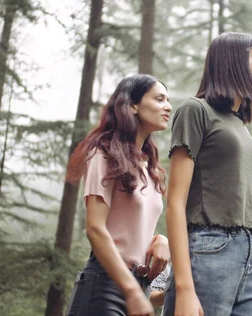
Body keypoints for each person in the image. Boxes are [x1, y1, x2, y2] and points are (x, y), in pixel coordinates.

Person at [164, 32, 252, 316]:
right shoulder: (195, 110)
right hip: (208, 247)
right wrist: (184, 288)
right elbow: (175, 202)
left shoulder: (238, 124)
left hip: (249, 251)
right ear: (234, 62)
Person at [65, 74, 172, 316]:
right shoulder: (103, 153)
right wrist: (131, 291)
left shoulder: (150, 167)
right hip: (103, 288)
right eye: (159, 99)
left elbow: (129, 226)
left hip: (138, 288)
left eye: (168, 100)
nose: (168, 106)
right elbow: (95, 228)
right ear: (132, 105)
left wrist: (159, 240)